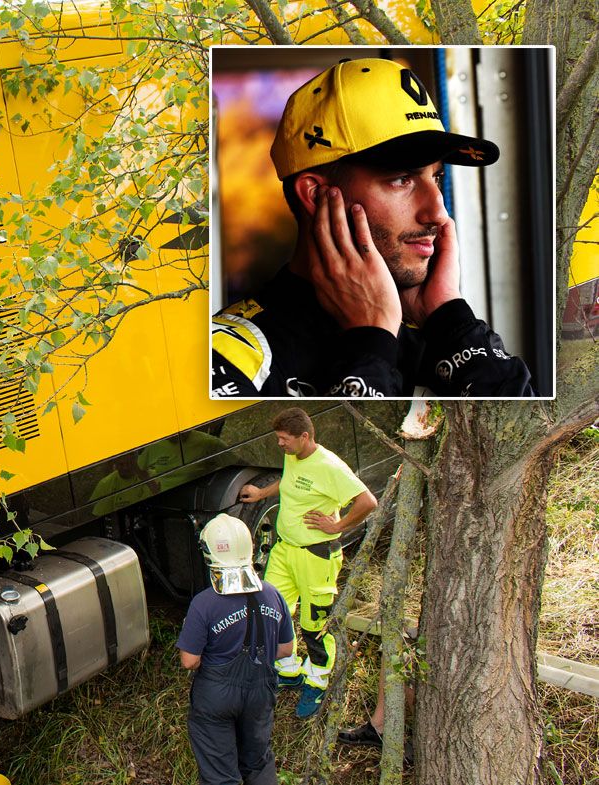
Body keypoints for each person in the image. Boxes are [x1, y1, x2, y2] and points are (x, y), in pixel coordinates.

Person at [211, 57, 534, 398]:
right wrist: (371, 341)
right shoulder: (233, 355)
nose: (437, 211)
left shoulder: (440, 333)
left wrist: (449, 319)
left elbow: (536, 439)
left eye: (436, 177)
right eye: (401, 179)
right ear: (316, 195)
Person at [236, 407, 376, 718]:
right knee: (274, 612)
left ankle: (317, 682)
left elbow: (368, 502)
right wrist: (261, 493)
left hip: (316, 556)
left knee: (315, 624)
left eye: (284, 439)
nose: (280, 445)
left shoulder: (329, 466)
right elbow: (288, 482)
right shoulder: (293, 455)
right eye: (278, 439)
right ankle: (288, 672)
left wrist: (337, 526)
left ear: (305, 437)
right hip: (285, 551)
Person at [178, 513, 295, 785]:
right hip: (260, 692)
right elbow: (286, 648)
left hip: (216, 696)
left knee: (220, 776)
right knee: (258, 763)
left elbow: (189, 661)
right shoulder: (272, 594)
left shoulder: (204, 603)